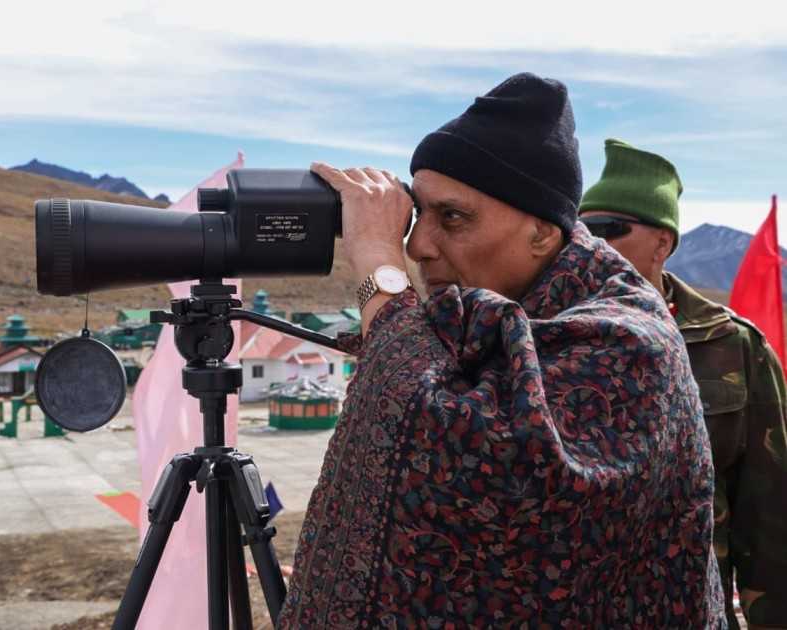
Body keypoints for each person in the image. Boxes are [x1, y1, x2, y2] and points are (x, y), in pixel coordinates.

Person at [276, 74, 725, 628]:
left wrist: (374, 254)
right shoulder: (497, 322)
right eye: (417, 216)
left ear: (542, 232)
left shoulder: (630, 340)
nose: (416, 245)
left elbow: (452, 439)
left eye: (453, 217)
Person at [580, 139, 787, 630]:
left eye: (608, 230)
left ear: (663, 243)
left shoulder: (734, 347)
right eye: (583, 231)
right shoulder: (545, 333)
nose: (591, 244)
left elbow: (769, 517)